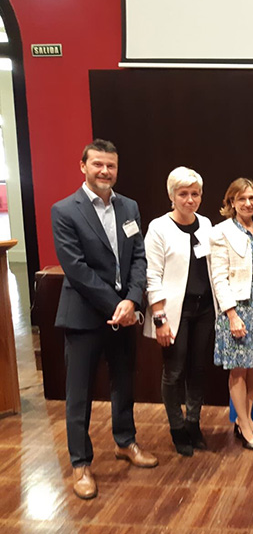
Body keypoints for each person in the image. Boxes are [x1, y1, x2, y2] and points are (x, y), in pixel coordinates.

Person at [51, 139, 157, 500]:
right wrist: (118, 306)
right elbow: (76, 269)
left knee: (123, 382)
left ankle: (125, 442)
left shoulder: (129, 207)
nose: (104, 172)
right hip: (84, 316)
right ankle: (81, 464)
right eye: (97, 164)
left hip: (122, 314)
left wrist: (131, 299)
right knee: (78, 394)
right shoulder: (65, 210)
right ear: (83, 165)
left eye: (110, 166)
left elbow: (139, 258)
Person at [143, 167, 215, 456]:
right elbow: (151, 276)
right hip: (174, 313)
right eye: (183, 194)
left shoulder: (207, 224)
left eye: (195, 194)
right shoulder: (159, 228)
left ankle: (193, 423)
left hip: (205, 310)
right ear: (171, 196)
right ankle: (176, 428)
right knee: (174, 371)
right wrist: (159, 319)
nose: (189, 200)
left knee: (198, 369)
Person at [210, 178, 253, 452]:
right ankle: (242, 420)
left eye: (252, 198)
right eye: (241, 199)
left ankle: (247, 420)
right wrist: (231, 315)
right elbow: (218, 277)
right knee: (239, 368)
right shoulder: (221, 232)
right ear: (231, 202)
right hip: (238, 306)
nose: (248, 203)